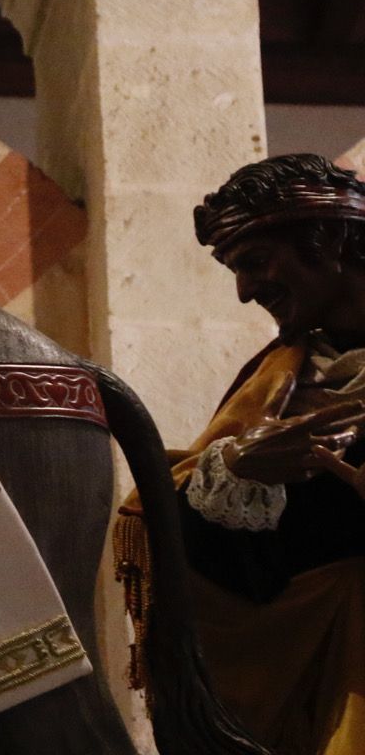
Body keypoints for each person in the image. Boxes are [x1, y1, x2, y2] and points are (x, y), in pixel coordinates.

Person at [115, 153, 365, 755]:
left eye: (254, 262)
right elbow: (235, 570)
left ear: (327, 239)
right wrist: (234, 474)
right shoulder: (271, 383)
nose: (245, 291)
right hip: (324, 705)